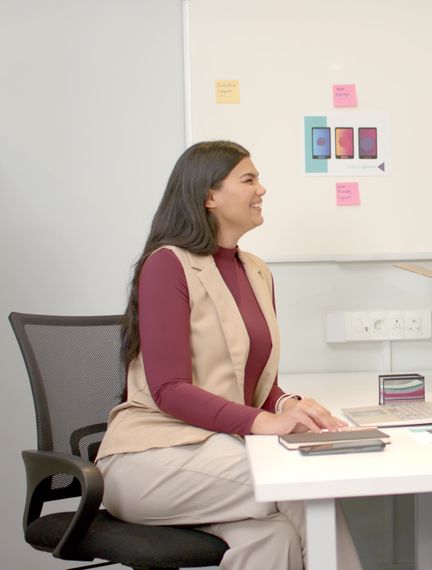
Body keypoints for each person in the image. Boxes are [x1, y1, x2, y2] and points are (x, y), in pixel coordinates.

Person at [95, 141, 362, 570]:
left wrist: (287, 405)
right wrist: (267, 423)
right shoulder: (168, 264)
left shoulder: (255, 270)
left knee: (271, 539)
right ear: (209, 196)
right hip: (151, 458)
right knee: (303, 482)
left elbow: (254, 383)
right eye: (249, 179)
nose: (263, 189)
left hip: (216, 454)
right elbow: (169, 390)